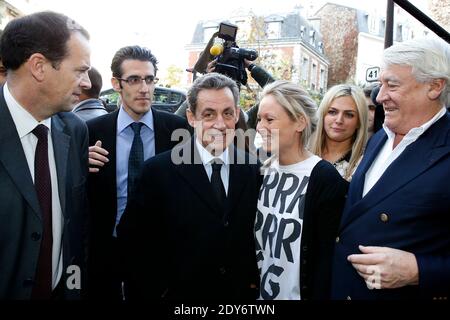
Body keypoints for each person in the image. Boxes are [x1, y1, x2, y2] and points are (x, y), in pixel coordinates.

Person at [117, 73, 260, 300]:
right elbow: (134, 247)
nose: (220, 124)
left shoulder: (252, 169)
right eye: (209, 114)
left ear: (237, 116)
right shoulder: (158, 171)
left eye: (227, 113)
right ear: (191, 117)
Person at [331, 37, 450, 300]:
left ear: (434, 86)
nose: (379, 95)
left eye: (391, 85)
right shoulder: (379, 138)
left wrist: (419, 270)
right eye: (381, 84)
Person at [0, 11, 91, 300]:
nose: (87, 82)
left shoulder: (76, 132)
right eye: (79, 70)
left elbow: (76, 232)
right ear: (39, 66)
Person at [85, 46, 188, 299]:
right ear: (116, 84)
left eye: (149, 79)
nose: (144, 88)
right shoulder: (90, 132)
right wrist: (78, 164)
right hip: (106, 246)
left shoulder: (179, 131)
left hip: (159, 249)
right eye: (133, 79)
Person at [255, 80, 348, 300]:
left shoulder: (325, 180)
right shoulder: (260, 170)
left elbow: (327, 260)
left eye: (270, 119)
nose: (260, 127)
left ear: (299, 122)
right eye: (259, 119)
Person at [310, 84, 368, 181]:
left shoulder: (364, 162)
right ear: (323, 115)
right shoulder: (302, 151)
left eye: (349, 115)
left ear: (359, 122)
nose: (339, 120)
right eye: (332, 112)